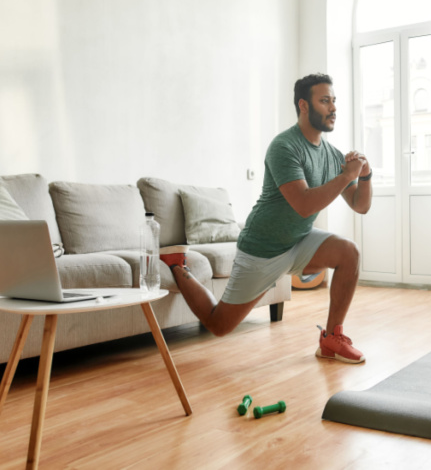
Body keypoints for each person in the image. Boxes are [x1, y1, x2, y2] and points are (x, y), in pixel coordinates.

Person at [159, 73, 372, 364]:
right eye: (324, 101)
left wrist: (366, 175)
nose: (333, 108)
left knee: (350, 253)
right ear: (304, 106)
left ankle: (331, 339)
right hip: (262, 248)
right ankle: (178, 266)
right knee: (218, 324)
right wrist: (348, 174)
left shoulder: (333, 155)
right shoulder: (284, 146)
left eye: (334, 101)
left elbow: (360, 205)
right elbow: (304, 205)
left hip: (299, 241)